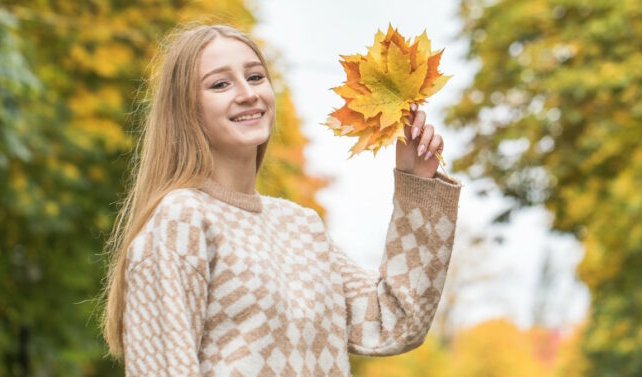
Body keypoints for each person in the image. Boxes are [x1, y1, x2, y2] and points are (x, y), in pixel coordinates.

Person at [100, 23, 462, 376]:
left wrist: (417, 183)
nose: (247, 93)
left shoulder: (301, 226)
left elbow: (393, 322)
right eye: (220, 84)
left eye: (256, 77)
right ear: (186, 110)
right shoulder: (182, 219)